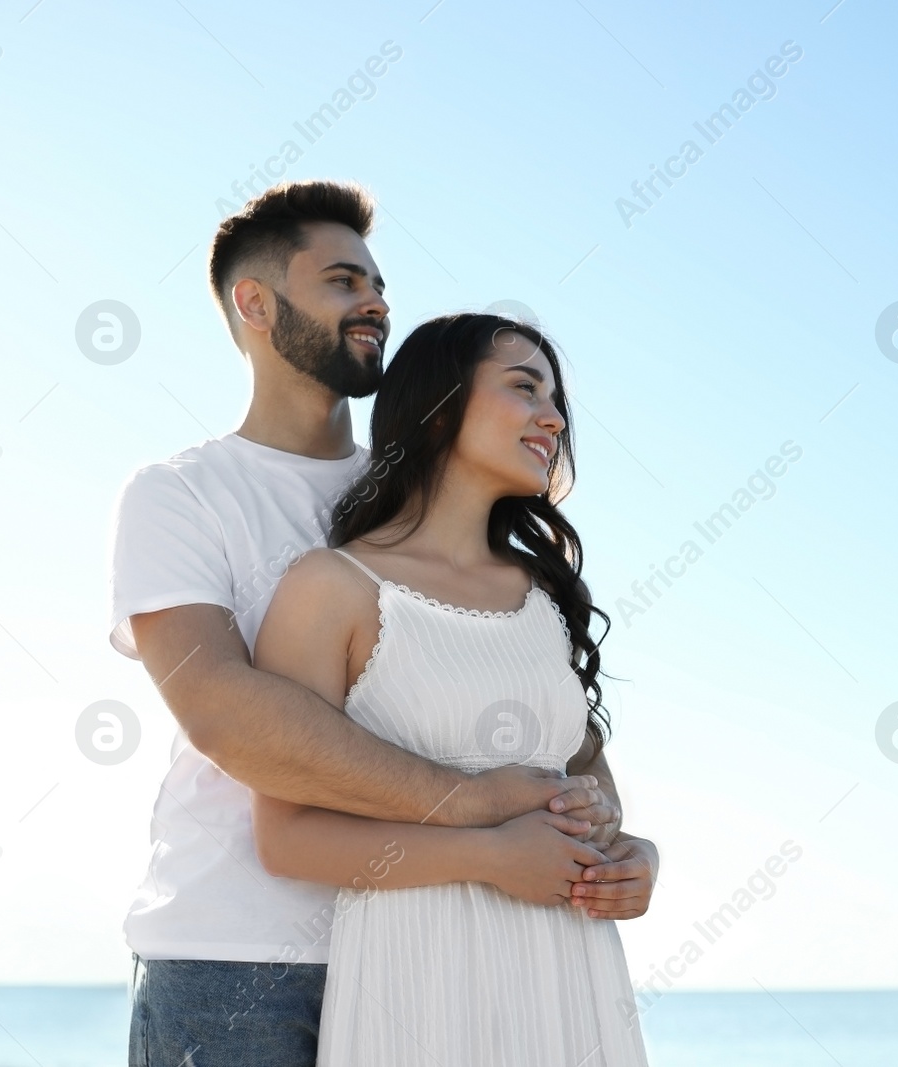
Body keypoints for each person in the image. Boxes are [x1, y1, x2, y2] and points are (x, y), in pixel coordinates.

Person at [108, 179, 655, 1066]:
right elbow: (220, 711)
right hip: (238, 951)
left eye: (379, 284)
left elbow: (560, 738)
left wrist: (609, 842)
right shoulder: (182, 494)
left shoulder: (432, 507)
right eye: (342, 280)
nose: (376, 302)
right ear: (255, 303)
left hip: (442, 947)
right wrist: (480, 814)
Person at [249, 313, 652, 1064]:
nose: (554, 416)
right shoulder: (332, 587)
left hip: (572, 977)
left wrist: (633, 855)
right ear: (440, 406)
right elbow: (286, 838)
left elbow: (587, 778)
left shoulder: (546, 595)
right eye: (525, 387)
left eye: (557, 398)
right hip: (420, 987)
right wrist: (491, 856)